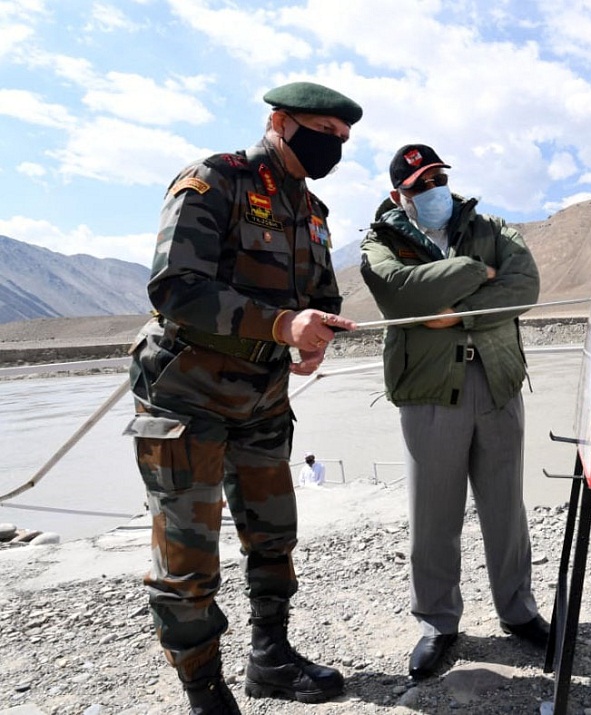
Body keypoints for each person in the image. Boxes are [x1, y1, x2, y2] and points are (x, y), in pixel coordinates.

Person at [124, 81, 361, 714]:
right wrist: (283, 326)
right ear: (280, 122)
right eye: (323, 132)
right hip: (185, 398)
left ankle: (270, 660)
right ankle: (205, 693)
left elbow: (321, 295)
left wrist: (317, 334)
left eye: (342, 140)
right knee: (188, 559)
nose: (334, 146)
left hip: (262, 398)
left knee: (273, 536)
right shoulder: (213, 182)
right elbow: (176, 288)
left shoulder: (314, 211)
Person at [360, 143, 548, 680]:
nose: (434, 188)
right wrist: (474, 270)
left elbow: (524, 287)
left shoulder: (492, 227)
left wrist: (456, 315)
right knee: (433, 514)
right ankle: (438, 624)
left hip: (497, 381)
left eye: (439, 176)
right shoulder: (382, 242)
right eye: (421, 183)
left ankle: (518, 611)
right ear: (401, 194)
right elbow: (398, 294)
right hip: (428, 392)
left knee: (505, 507)